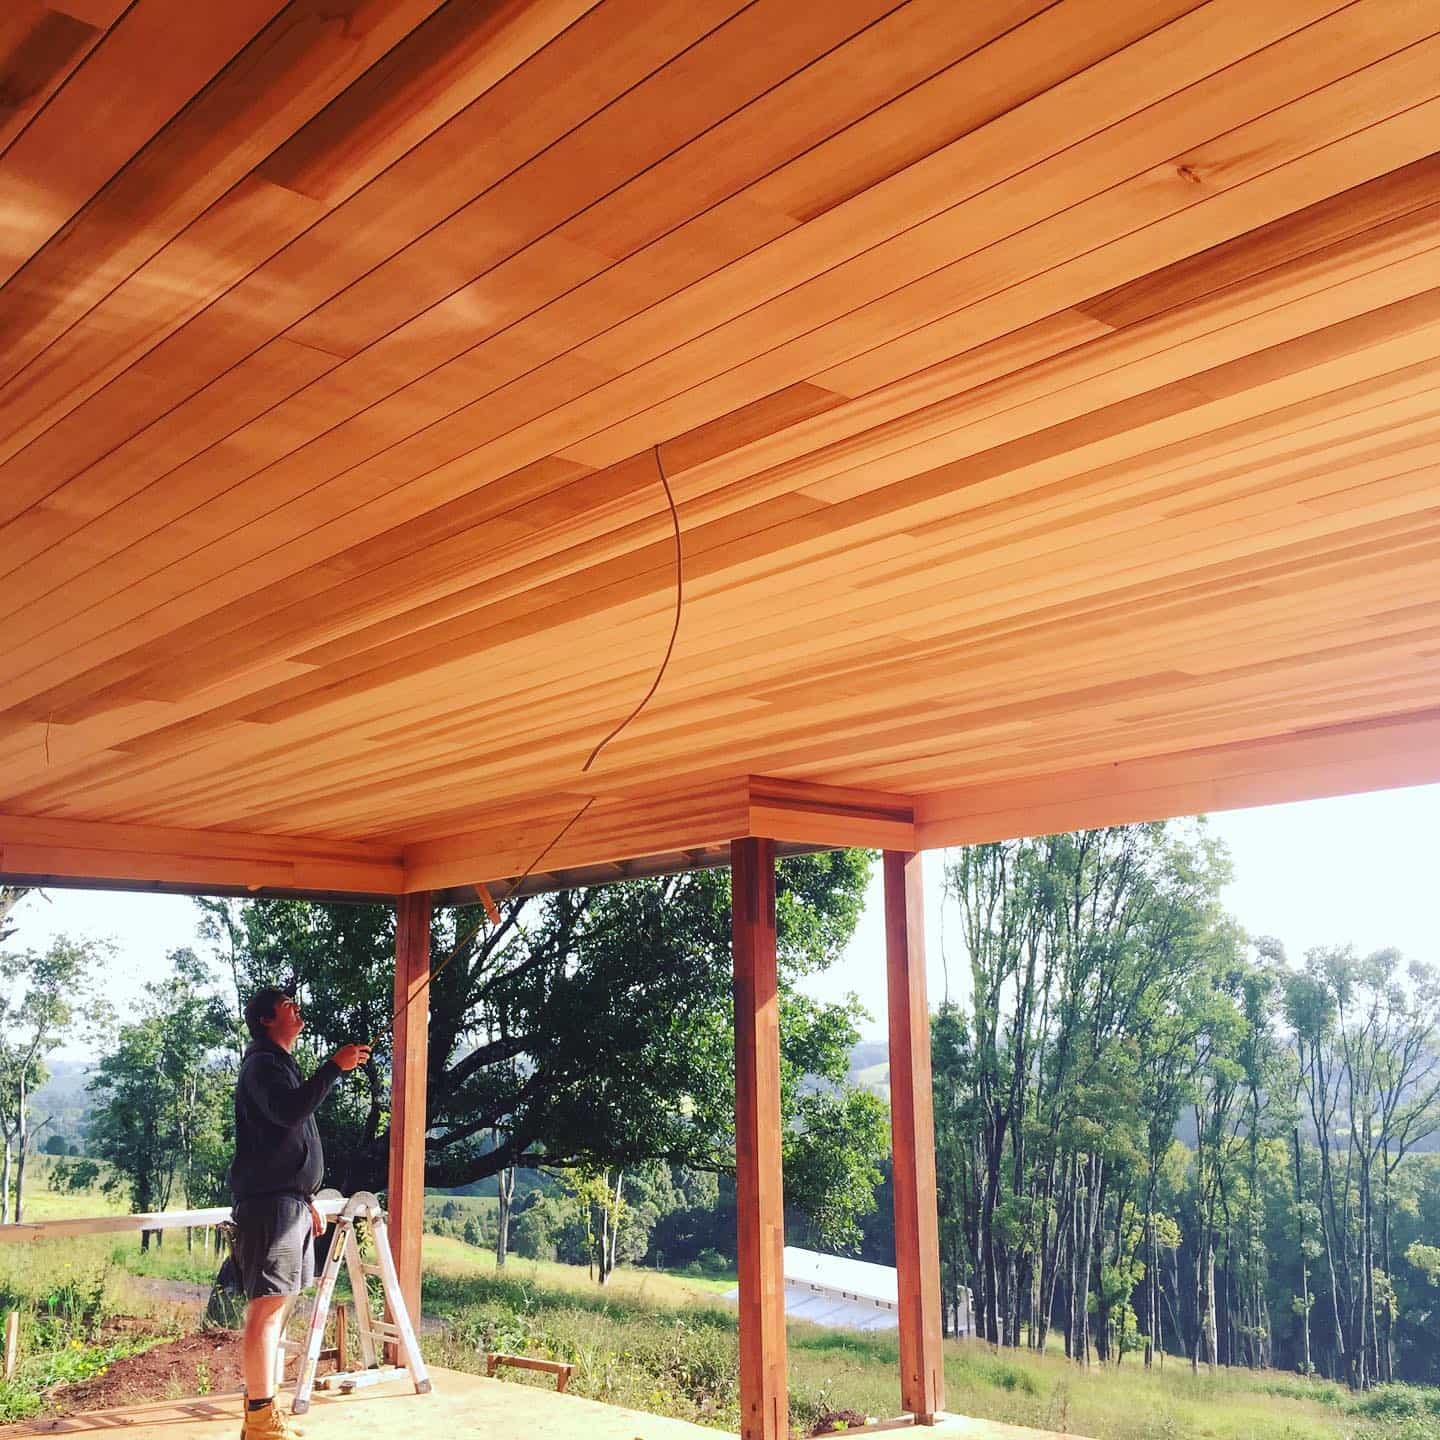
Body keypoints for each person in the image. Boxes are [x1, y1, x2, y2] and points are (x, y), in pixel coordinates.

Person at [230, 988, 370, 1438]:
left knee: (278, 1306)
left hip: (286, 1203)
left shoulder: (279, 1065)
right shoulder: (262, 1064)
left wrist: (304, 1198)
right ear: (266, 1019)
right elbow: (289, 1112)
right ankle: (260, 1420)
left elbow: (281, 1140)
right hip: (271, 1205)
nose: (297, 1008)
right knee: (267, 1309)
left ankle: (262, 1417)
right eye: (287, 1004)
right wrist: (334, 1067)